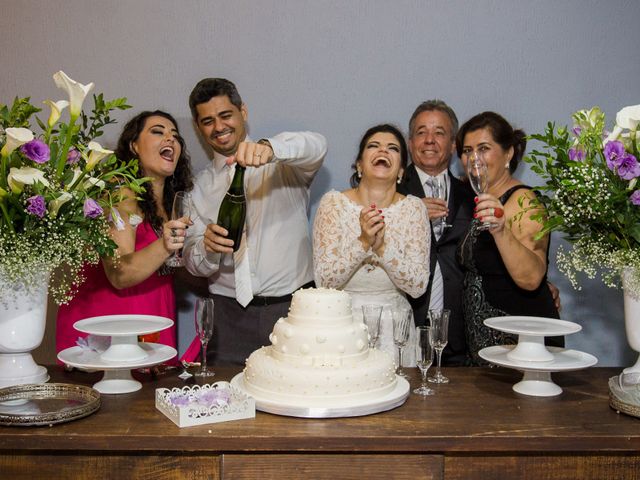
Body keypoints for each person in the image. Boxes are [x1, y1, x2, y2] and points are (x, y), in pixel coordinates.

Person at [183, 78, 327, 365]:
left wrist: (271, 148)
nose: (219, 127)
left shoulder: (285, 164)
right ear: (199, 128)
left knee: (294, 398)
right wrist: (206, 248)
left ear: (243, 112)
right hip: (227, 317)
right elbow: (191, 261)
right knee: (226, 402)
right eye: (208, 121)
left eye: (226, 115)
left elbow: (317, 144)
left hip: (292, 310)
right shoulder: (197, 188)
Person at [56, 110, 196, 361]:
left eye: (175, 135)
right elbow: (119, 273)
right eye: (157, 132)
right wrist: (165, 245)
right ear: (134, 146)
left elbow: (163, 267)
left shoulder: (169, 202)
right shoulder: (121, 192)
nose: (170, 139)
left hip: (152, 313)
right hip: (116, 323)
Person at [313, 124, 430, 366]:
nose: (383, 151)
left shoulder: (414, 208)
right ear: (359, 164)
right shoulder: (333, 204)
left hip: (394, 329)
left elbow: (417, 286)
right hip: (342, 324)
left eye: (393, 148)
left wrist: (382, 248)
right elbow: (324, 281)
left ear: (400, 170)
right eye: (373, 146)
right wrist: (364, 242)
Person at [455, 111, 560, 365]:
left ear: (509, 153)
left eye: (484, 148)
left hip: (520, 342)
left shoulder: (524, 201)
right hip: (486, 342)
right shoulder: (481, 199)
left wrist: (501, 230)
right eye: (467, 150)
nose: (474, 158)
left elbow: (532, 277)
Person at [398, 100, 475, 366]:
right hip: (405, 326)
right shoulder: (391, 193)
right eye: (421, 132)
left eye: (439, 132)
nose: (429, 140)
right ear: (410, 142)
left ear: (453, 144)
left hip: (458, 333)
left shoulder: (471, 194)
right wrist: (410, 212)